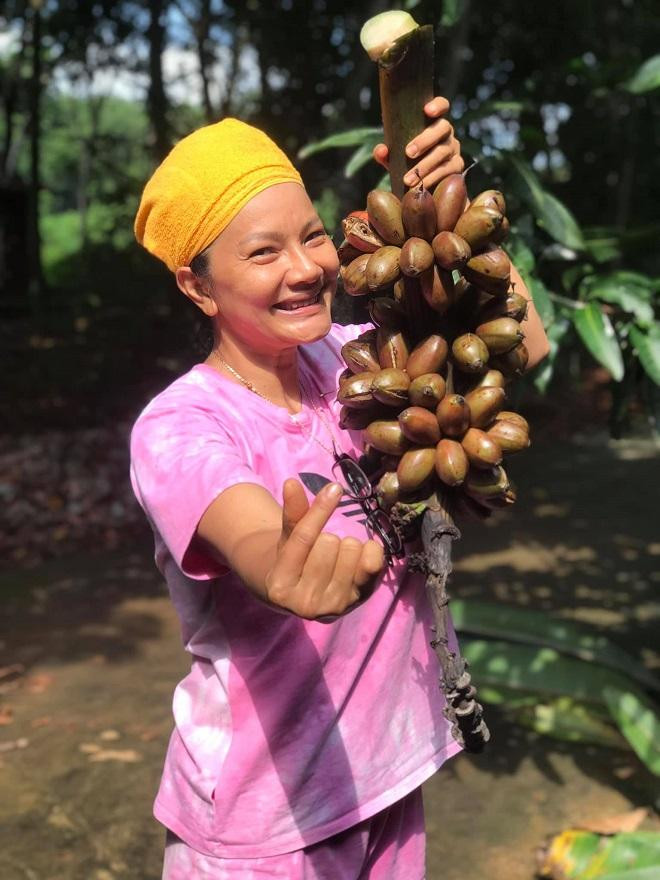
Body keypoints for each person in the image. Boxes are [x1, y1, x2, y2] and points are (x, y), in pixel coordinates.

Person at [130, 98, 549, 880]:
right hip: (266, 823)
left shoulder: (358, 358)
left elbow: (525, 340)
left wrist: (453, 193)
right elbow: (249, 531)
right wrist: (279, 565)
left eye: (313, 235)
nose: (306, 268)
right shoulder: (182, 425)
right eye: (263, 253)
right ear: (198, 284)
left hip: (386, 777)